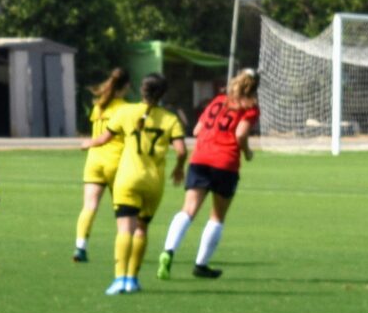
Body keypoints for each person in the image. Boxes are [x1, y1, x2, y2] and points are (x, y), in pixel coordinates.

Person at [84, 74, 186, 294]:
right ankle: (132, 279)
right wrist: (179, 168)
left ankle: (119, 279)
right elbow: (181, 150)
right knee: (141, 229)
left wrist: (88, 143)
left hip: (128, 179)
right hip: (153, 182)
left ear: (142, 90)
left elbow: (104, 138)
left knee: (124, 230)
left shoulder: (126, 112)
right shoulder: (170, 119)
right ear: (162, 94)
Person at [160, 70, 260, 279]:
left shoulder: (218, 101)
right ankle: (201, 265)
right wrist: (247, 151)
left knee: (188, 210)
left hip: (200, 158)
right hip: (225, 162)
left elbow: (197, 130)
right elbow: (240, 133)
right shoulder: (250, 107)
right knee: (217, 216)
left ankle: (168, 251)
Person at [74, 67, 130, 262]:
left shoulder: (99, 106)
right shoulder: (125, 109)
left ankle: (80, 247)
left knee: (89, 205)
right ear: (127, 86)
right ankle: (123, 249)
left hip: (95, 160)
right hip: (116, 161)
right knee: (123, 209)